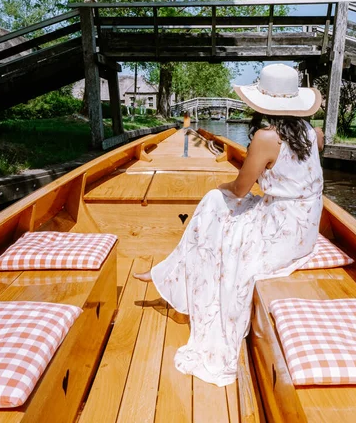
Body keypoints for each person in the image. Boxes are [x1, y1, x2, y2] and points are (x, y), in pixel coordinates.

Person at [134, 63, 324, 387]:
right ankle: (168, 271)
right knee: (219, 217)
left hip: (281, 228)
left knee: (211, 205)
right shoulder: (313, 134)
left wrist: (217, 189)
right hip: (306, 228)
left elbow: (239, 189)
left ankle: (168, 273)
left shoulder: (266, 137)